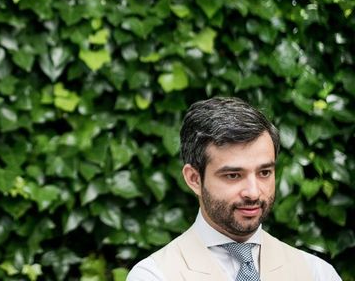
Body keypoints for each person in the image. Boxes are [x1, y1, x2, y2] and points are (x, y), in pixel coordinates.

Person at [127, 97, 342, 281]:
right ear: (194, 179)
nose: (253, 192)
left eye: (264, 172)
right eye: (233, 175)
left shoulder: (318, 274)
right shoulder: (153, 275)